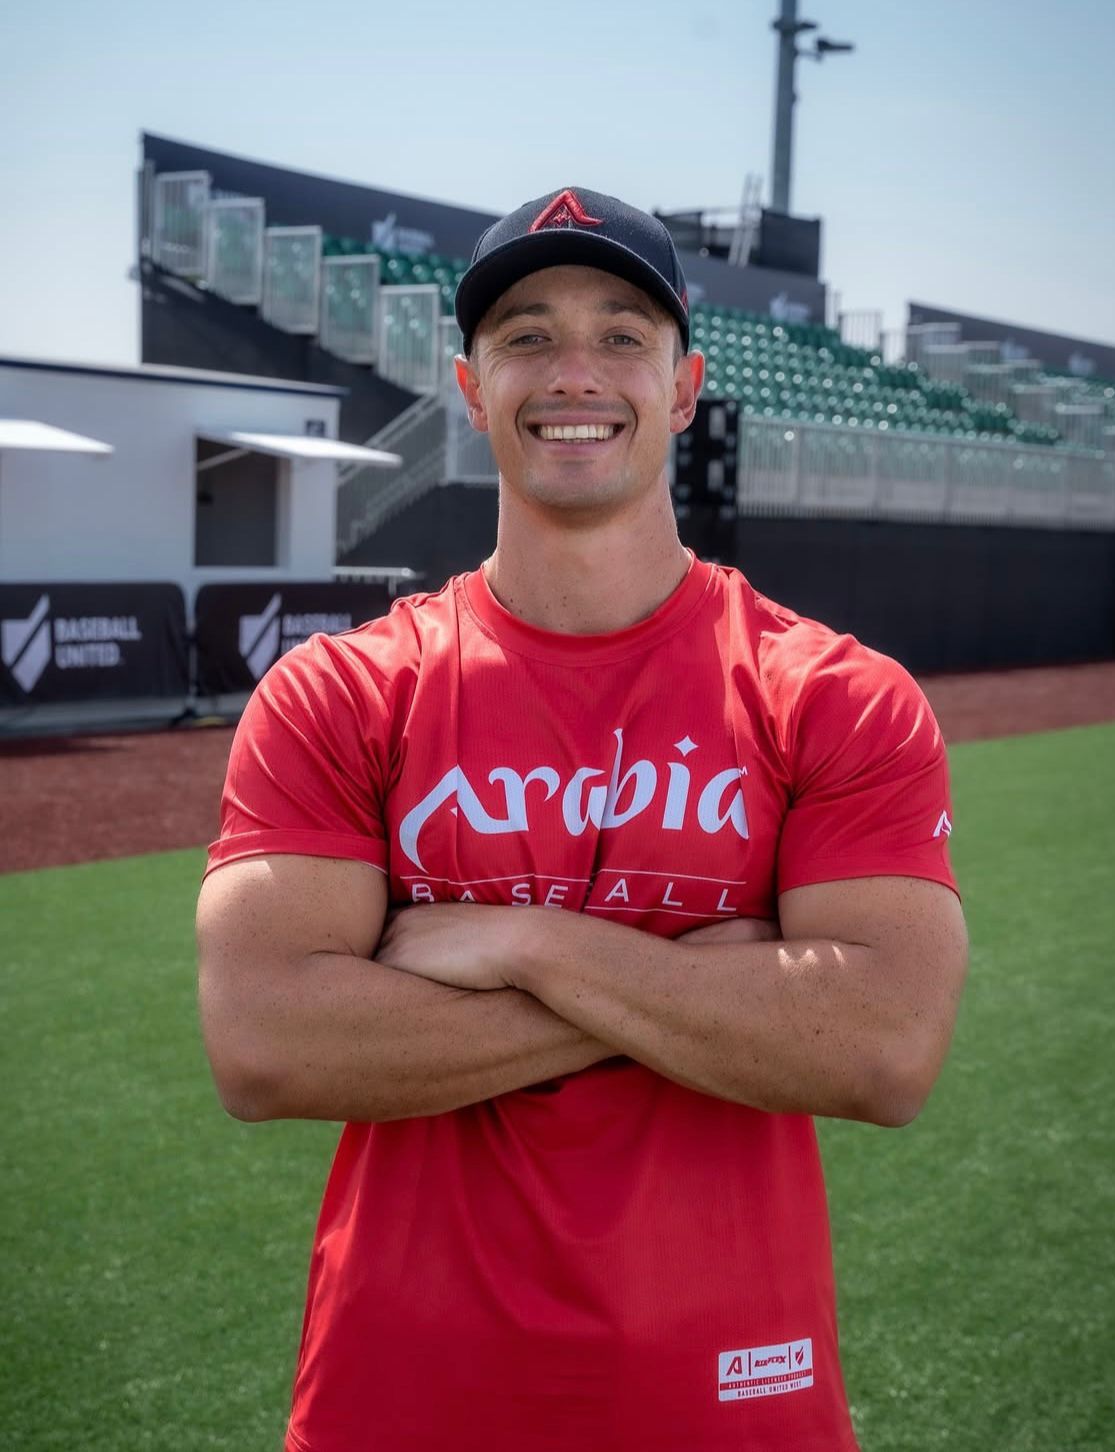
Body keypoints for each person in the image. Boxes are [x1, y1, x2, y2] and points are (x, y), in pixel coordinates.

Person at [196, 185, 968, 1452]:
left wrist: (528, 944)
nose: (574, 372)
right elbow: (268, 1046)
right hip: (404, 1394)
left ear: (685, 385)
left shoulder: (829, 695)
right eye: (525, 336)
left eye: (622, 336)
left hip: (732, 1395)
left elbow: (882, 1049)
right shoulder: (342, 693)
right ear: (468, 384)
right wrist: (700, 988)